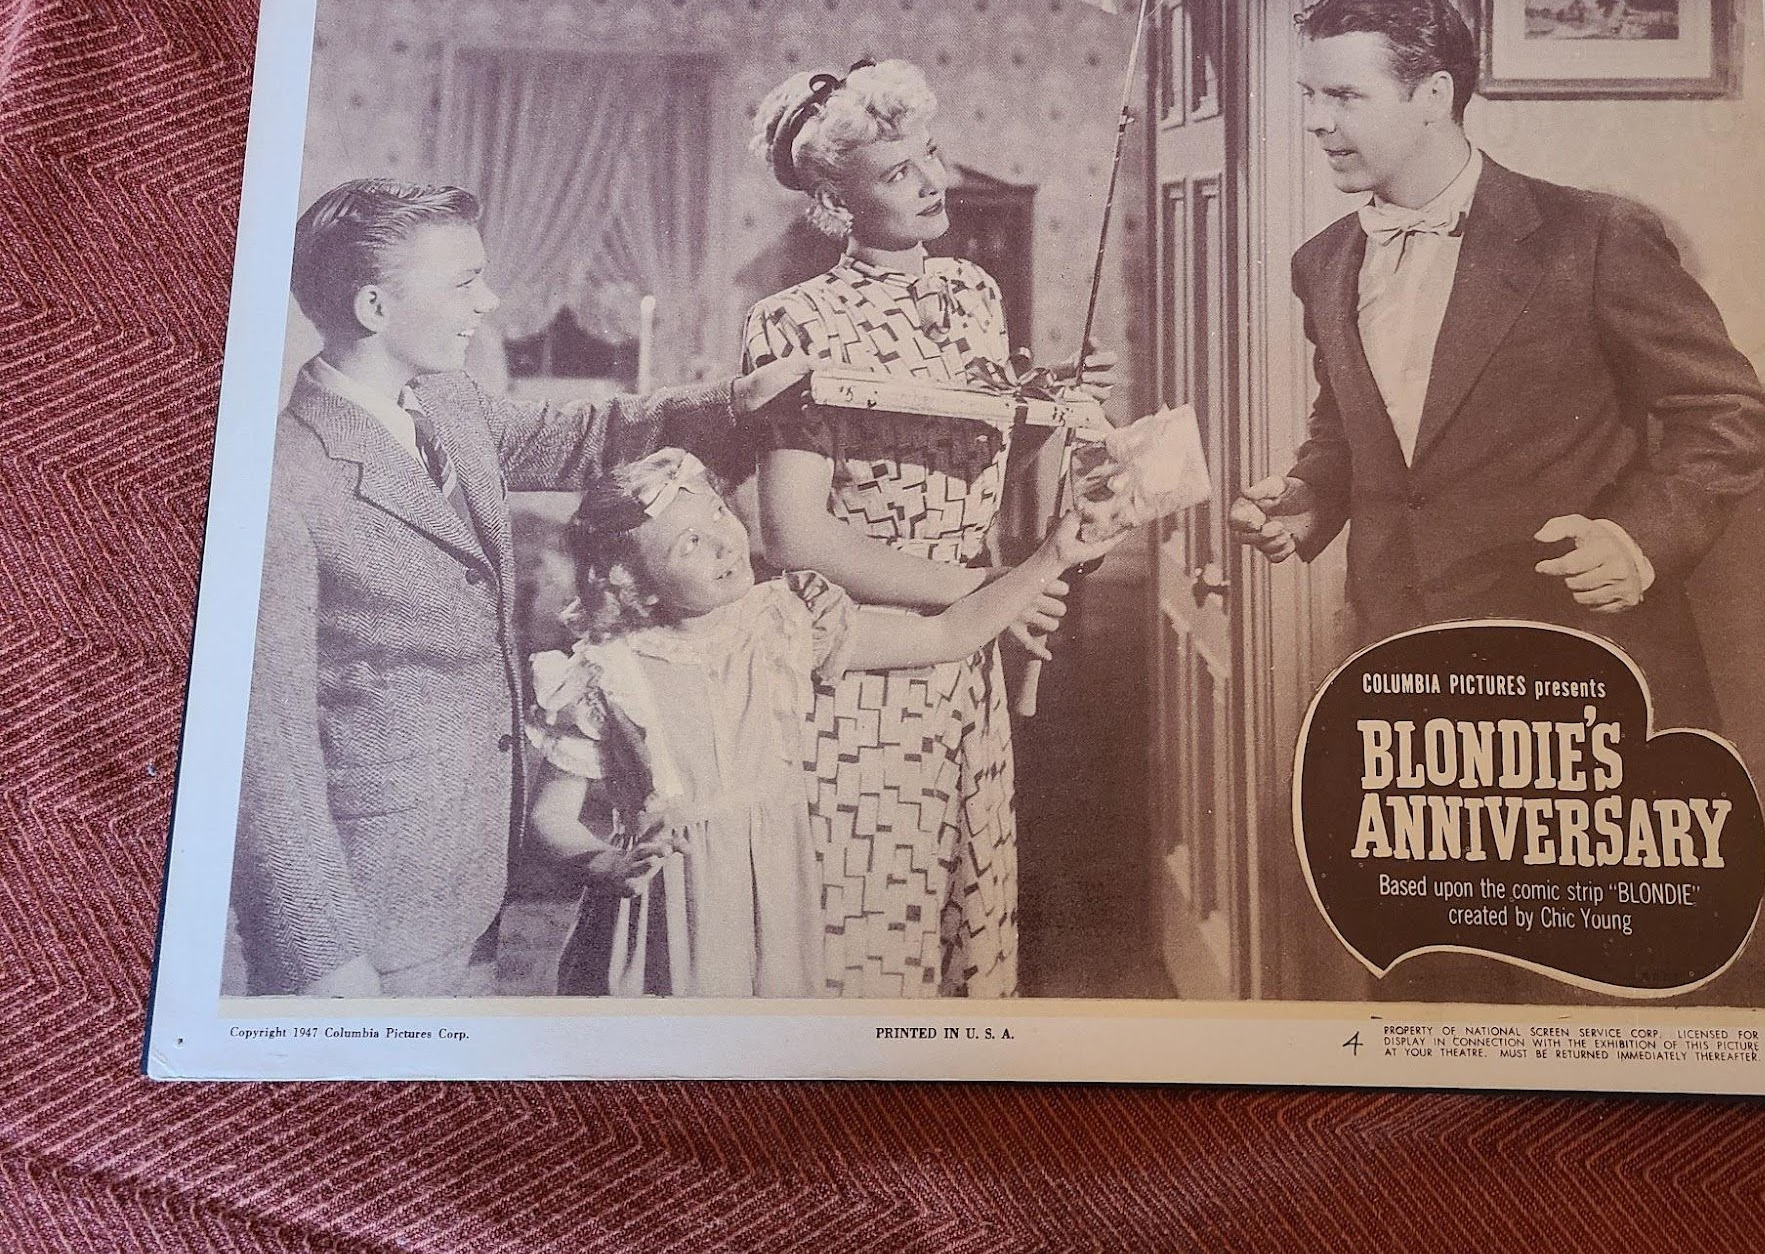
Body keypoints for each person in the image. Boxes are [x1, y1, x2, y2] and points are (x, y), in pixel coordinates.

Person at [231, 178, 808, 998]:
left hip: (471, 885)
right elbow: (269, 753)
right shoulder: (284, 482)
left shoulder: (444, 404)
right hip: (370, 920)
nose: (490, 300)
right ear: (374, 307)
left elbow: (581, 436)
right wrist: (319, 956)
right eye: (464, 281)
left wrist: (732, 403)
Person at [1230, 0, 1765, 729]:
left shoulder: (1595, 235)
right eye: (1310, 95)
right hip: (1398, 661)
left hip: (1578, 659)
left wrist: (1636, 539)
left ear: (1433, 94)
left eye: (1345, 96)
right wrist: (1312, 494)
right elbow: (1350, 423)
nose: (1316, 121)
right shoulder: (1321, 262)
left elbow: (1724, 411)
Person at [741, 58, 1112, 998]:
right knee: (869, 936)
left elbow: (974, 482)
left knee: (962, 924)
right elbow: (794, 538)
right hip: (865, 659)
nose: (930, 182)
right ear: (836, 201)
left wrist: (1047, 413)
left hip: (971, 656)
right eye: (896, 171)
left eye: (930, 156)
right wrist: (987, 589)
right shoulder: (790, 323)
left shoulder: (972, 295)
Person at [524, 448, 1124, 997]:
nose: (724, 543)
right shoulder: (606, 674)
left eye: (719, 514)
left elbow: (946, 635)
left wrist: (1050, 558)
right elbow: (549, 817)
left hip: (775, 908)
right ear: (636, 586)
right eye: (691, 544)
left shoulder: (785, 623)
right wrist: (603, 863)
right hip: (664, 915)